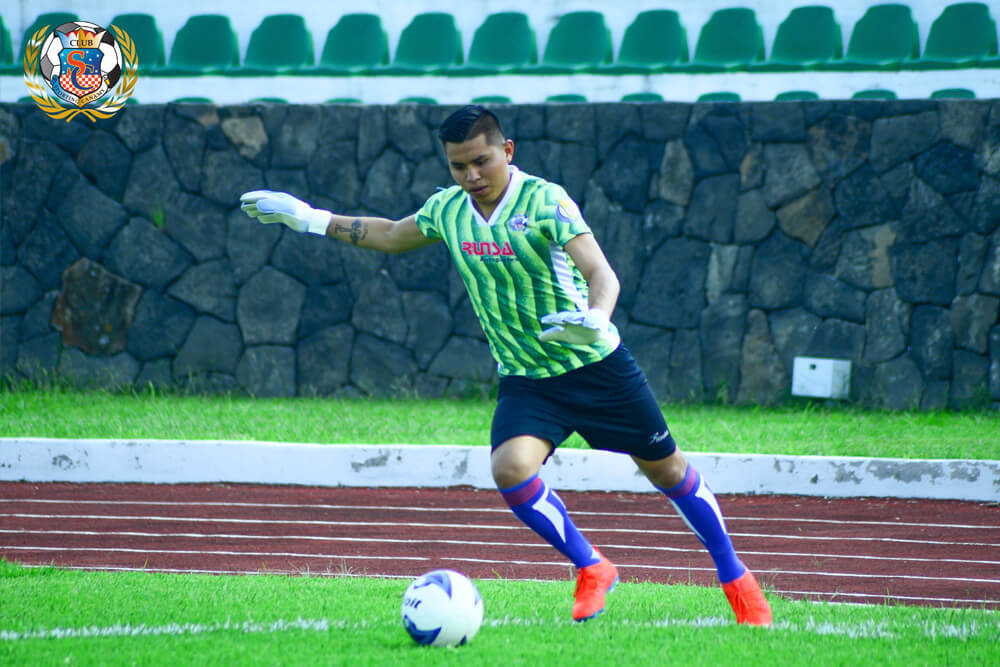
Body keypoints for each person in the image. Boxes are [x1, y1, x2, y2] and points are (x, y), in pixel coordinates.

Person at [240, 105, 772, 626]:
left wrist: (595, 318)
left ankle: (736, 578)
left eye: (481, 161)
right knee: (510, 469)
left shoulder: (545, 200)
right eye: (458, 166)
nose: (471, 176)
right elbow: (390, 235)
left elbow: (601, 273)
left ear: (507, 151)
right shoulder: (448, 210)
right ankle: (592, 567)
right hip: (527, 379)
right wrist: (309, 219)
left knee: (668, 471)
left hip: (596, 366)